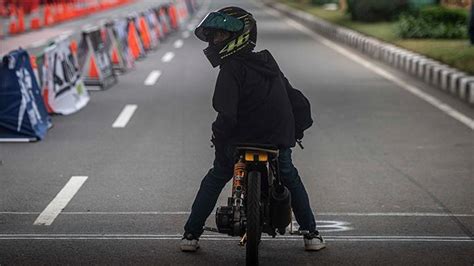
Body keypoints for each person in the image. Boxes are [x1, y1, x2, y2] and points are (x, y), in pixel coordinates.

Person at [181, 6, 325, 253]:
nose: (215, 41)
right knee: (289, 176)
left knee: (217, 176)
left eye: (220, 36)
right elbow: (295, 100)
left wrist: (217, 137)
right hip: (277, 139)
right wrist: (296, 131)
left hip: (239, 140)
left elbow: (226, 113)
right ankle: (311, 234)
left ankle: (191, 235)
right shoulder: (268, 62)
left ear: (240, 36)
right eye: (214, 36)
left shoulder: (230, 69)